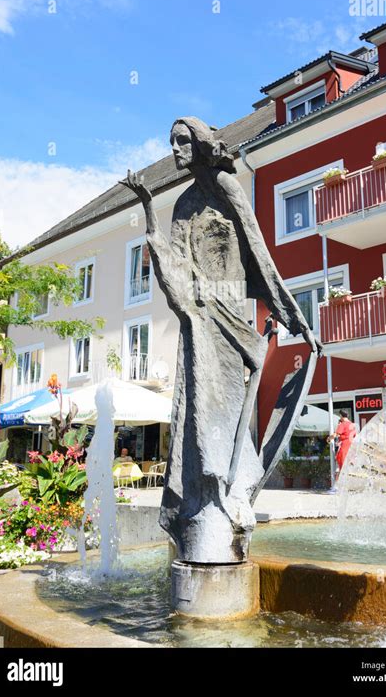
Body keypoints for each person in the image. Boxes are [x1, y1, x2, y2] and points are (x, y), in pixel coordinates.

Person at [122, 116, 323, 563]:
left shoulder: (227, 186)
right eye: (170, 141)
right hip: (199, 317)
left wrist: (294, 317)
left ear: (199, 143)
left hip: (231, 312)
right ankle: (202, 498)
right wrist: (148, 207)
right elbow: (174, 264)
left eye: (182, 141)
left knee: (230, 406)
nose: (174, 149)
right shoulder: (182, 204)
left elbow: (258, 252)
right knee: (197, 404)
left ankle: (232, 493)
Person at [327, 410, 357, 476]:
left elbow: (335, 435)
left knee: (342, 466)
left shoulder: (343, 424)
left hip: (344, 446)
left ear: (341, 416)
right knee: (350, 466)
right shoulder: (352, 424)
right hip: (352, 447)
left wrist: (329, 438)